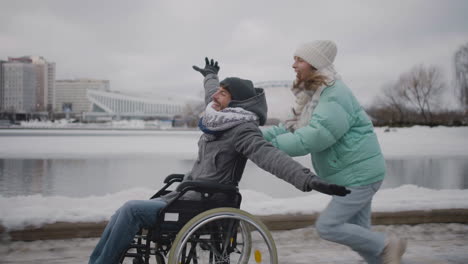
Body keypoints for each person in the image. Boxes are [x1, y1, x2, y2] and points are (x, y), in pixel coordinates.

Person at [88, 57, 350, 264]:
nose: (216, 96)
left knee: (131, 210)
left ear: (235, 102)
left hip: (205, 203)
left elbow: (271, 158)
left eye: (223, 93)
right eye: (219, 91)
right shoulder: (217, 118)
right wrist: (210, 77)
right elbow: (211, 94)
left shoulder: (243, 130)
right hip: (187, 196)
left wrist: (310, 180)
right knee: (123, 212)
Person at [262, 40, 407, 264]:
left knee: (328, 226)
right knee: (360, 238)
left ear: (314, 64)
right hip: (353, 174)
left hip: (360, 175)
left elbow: (317, 135)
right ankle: (383, 255)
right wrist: (257, 138)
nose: (293, 65)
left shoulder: (334, 94)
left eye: (299, 59)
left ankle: (387, 245)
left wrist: (273, 147)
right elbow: (290, 125)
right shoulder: (312, 95)